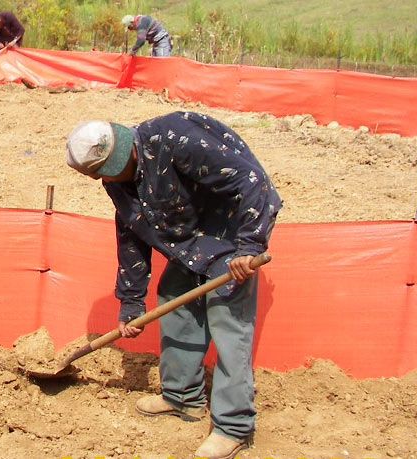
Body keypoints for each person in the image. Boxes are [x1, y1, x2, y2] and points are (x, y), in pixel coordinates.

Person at [65, 112, 282, 459]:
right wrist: (132, 301)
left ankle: (234, 427)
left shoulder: (176, 139)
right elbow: (130, 234)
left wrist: (250, 246)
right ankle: (182, 398)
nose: (102, 178)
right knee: (174, 299)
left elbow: (254, 182)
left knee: (229, 324)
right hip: (189, 245)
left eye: (104, 170)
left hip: (228, 237)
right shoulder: (116, 181)